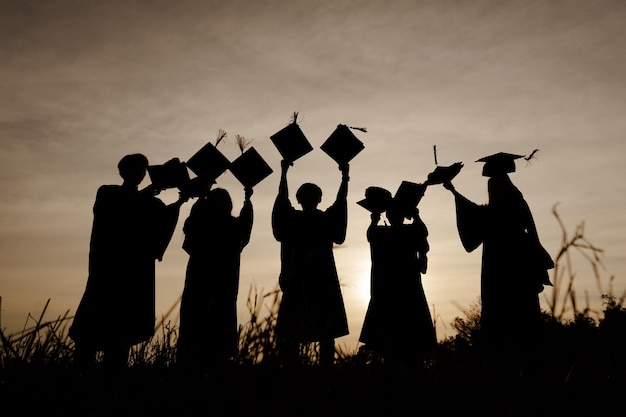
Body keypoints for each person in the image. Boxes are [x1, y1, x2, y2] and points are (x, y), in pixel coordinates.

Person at [69, 153, 187, 369]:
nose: (140, 174)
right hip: (108, 272)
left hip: (134, 275)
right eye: (135, 169)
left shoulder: (152, 203)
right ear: (122, 171)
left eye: (142, 170)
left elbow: (163, 220)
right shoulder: (108, 192)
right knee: (91, 329)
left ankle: (113, 377)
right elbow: (120, 209)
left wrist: (181, 198)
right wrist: (152, 190)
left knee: (122, 335)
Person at [443, 152, 554, 372]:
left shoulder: (504, 204)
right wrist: (454, 192)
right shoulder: (516, 200)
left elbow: (483, 217)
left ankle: (507, 360)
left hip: (502, 262)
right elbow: (485, 215)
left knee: (504, 310)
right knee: (519, 311)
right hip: (515, 261)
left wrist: (455, 193)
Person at [272, 159, 350, 367]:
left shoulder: (292, 221)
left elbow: (281, 201)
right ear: (319, 199)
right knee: (326, 332)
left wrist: (284, 172)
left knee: (294, 333)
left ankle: (291, 371)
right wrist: (345, 177)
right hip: (321, 280)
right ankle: (325, 372)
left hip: (299, 279)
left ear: (299, 200)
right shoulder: (324, 220)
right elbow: (341, 202)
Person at [177, 185, 253, 372]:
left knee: (195, 325)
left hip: (201, 283)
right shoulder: (231, 226)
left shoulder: (201, 225)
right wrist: (248, 199)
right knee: (215, 325)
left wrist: (201, 198)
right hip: (222, 285)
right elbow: (246, 225)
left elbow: (190, 227)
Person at [358, 187, 436, 371]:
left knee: (401, 343)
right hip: (399, 290)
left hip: (400, 290)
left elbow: (422, 234)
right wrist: (415, 216)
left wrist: (375, 220)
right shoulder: (390, 233)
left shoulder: (388, 233)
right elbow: (422, 234)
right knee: (397, 343)